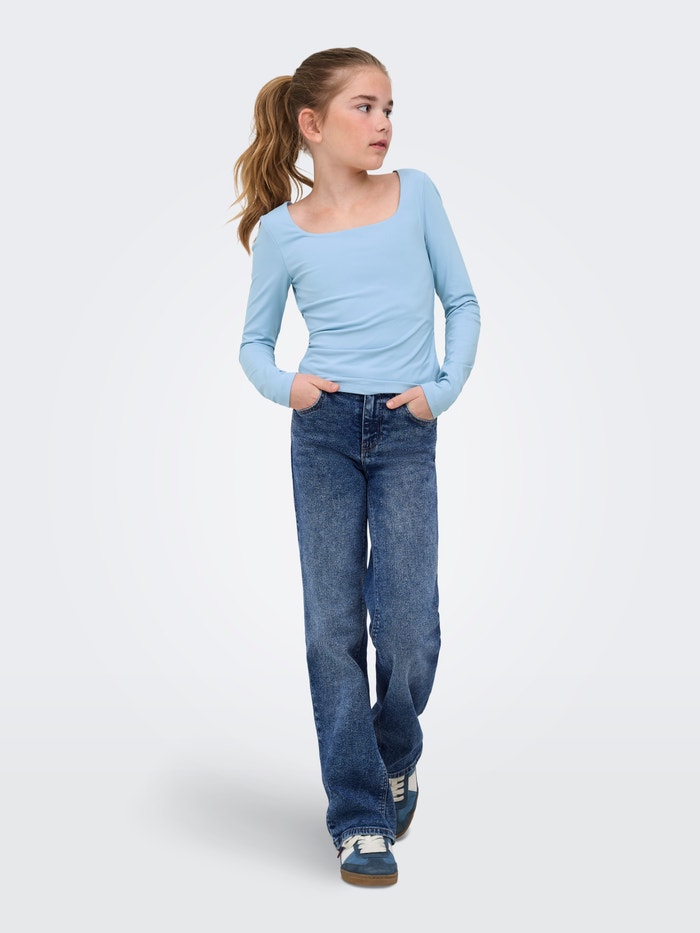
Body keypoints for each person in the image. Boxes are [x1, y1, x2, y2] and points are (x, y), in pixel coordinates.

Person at [232, 47, 481, 886]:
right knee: (331, 628)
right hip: (325, 432)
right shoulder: (281, 233)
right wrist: (288, 387)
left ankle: (393, 754)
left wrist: (441, 391)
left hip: (406, 427)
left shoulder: (418, 195)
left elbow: (462, 301)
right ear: (312, 123)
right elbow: (253, 342)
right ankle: (359, 815)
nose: (383, 124)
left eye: (389, 108)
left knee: (408, 625)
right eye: (365, 108)